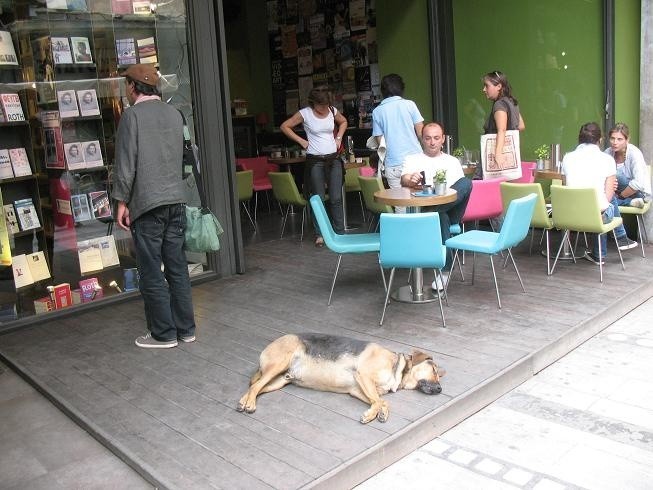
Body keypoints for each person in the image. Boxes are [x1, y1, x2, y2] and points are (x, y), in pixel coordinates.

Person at [113, 63, 196, 349]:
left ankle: (164, 334)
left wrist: (121, 201)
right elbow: (189, 157)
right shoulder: (175, 113)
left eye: (127, 85)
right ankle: (186, 329)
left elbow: (126, 164)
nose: (126, 90)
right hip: (176, 200)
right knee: (177, 267)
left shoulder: (131, 116)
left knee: (151, 270)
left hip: (147, 204)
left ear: (134, 87)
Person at [401, 122, 472, 290]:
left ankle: (435, 210)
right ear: (422, 140)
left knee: (466, 183)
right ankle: (445, 271)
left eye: (436, 138)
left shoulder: (452, 161)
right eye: (428, 138)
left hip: (451, 208)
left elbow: (459, 191)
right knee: (440, 216)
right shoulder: (412, 159)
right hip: (423, 211)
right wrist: (410, 179)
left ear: (443, 139)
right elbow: (403, 180)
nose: (432, 142)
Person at [560, 122, 638, 265]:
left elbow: (566, 187)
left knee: (600, 202)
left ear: (579, 139)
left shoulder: (567, 157)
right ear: (600, 139)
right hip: (596, 217)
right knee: (606, 204)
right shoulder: (607, 160)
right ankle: (616, 240)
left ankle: (609, 246)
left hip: (569, 216)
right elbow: (608, 198)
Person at [280, 86, 347, 246]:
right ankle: (321, 234)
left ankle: (340, 232)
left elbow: (343, 121)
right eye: (321, 105)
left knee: (336, 197)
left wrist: (338, 137)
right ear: (313, 103)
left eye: (326, 104)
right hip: (315, 161)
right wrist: (301, 141)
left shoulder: (332, 110)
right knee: (318, 198)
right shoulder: (305, 113)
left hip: (334, 159)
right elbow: (285, 126)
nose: (324, 108)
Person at [372, 73, 424, 212]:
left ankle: (402, 232)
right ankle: (418, 232)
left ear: (383, 91)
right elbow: (421, 133)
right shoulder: (410, 105)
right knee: (417, 201)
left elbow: (379, 141)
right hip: (414, 161)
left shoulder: (377, 112)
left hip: (392, 164)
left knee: (400, 205)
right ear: (401, 88)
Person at [480, 70, 525, 178]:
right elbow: (521, 126)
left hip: (495, 157)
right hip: (509, 159)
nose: (484, 89)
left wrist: (498, 153)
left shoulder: (499, 104)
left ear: (499, 86)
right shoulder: (511, 102)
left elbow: (502, 129)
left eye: (487, 86)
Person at [603, 122, 651, 208]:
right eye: (612, 138)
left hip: (638, 193)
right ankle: (630, 202)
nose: (615, 142)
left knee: (615, 174)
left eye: (619, 139)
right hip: (617, 192)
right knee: (606, 198)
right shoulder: (608, 152)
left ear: (627, 140)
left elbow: (638, 184)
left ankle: (621, 200)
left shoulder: (634, 153)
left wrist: (619, 195)